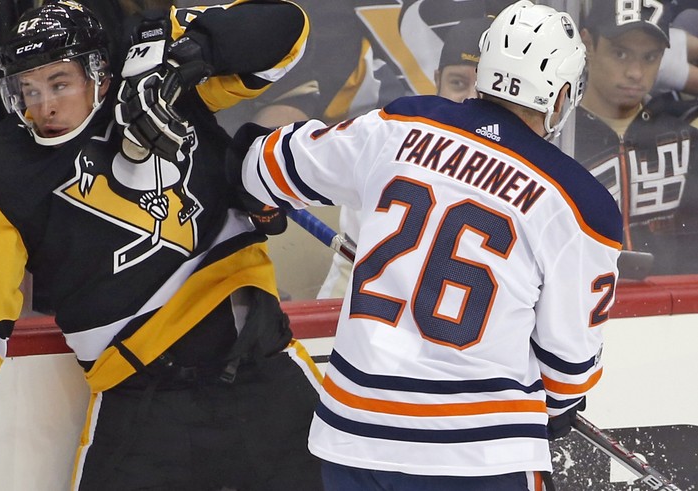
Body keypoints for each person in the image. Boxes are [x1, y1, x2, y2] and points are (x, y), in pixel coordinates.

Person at [0, 1, 324, 490]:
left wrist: (194, 50)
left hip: (265, 376)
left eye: (59, 83)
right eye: (27, 90)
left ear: (99, 72)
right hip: (143, 406)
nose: (44, 106)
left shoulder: (156, 78)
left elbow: (287, 29)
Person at [228, 1, 622, 489]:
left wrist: (257, 195)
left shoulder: (399, 124)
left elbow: (262, 165)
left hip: (354, 438)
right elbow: (567, 372)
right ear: (563, 96)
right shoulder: (580, 203)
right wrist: (557, 411)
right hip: (477, 456)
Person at [317, 15, 495, 299]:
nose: (469, 102)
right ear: (436, 81)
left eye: (485, 91)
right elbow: (343, 290)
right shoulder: (385, 159)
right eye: (458, 83)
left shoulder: (532, 187)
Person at [576, 0, 698, 275]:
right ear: (588, 44)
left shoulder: (686, 141)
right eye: (620, 54)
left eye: (650, 57)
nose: (635, 73)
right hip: (578, 309)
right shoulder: (556, 137)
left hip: (671, 311)